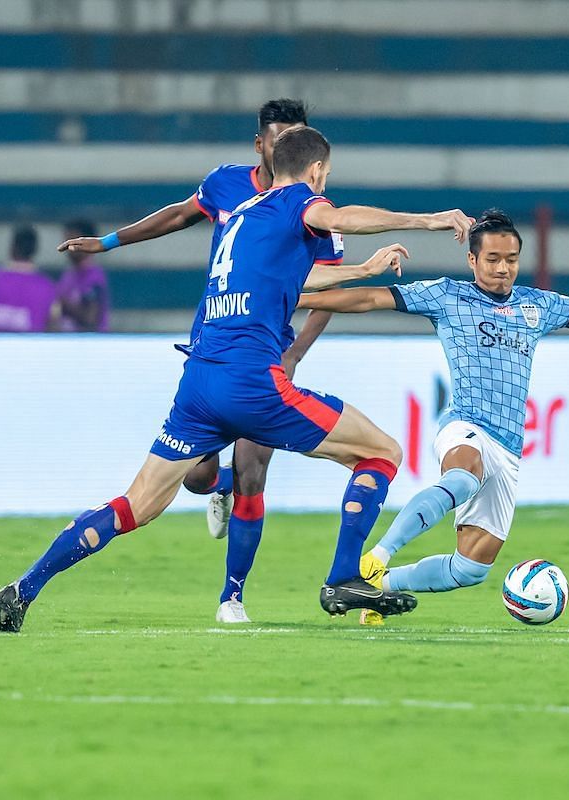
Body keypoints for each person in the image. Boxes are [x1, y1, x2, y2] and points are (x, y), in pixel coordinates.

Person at [0, 125, 474, 633]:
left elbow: (294, 281)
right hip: (253, 383)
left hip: (199, 382)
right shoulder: (298, 203)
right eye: (325, 176)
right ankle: (343, 578)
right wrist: (430, 219)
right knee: (382, 452)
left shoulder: (241, 217)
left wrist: (360, 271)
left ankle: (24, 588)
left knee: (137, 504)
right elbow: (340, 217)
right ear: (316, 171)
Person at [296, 209, 569, 625]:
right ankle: (376, 558)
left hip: (507, 445)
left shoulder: (535, 305)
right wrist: (294, 297)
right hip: (464, 424)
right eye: (492, 260)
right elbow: (369, 298)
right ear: (472, 260)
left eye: (510, 259)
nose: (503, 268)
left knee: (470, 568)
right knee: (463, 477)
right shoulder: (446, 295)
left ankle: (381, 586)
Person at [56, 99, 350, 625]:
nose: (289, 149)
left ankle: (231, 597)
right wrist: (109, 241)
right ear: (259, 144)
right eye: (279, 139)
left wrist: (296, 352)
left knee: (254, 471)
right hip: (211, 350)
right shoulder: (226, 185)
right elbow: (177, 215)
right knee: (197, 476)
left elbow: (323, 288)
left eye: (297, 139)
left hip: (265, 356)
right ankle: (216, 489)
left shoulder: (317, 212)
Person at [0, 226, 60, 332]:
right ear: (35, 250)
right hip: (33, 347)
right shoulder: (47, 286)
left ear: (12, 247)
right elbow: (53, 325)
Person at [58, 219, 110, 332]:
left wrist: (63, 304)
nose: (69, 248)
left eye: (73, 243)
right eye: (66, 242)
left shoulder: (93, 277)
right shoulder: (68, 274)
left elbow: (90, 318)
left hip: (88, 343)